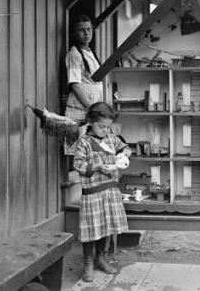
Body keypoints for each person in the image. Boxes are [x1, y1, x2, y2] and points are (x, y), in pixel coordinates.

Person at [74, 102, 131, 282]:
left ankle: (101, 258)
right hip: (92, 192)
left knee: (105, 226)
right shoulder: (84, 142)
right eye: (101, 126)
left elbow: (125, 148)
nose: (105, 130)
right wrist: (98, 166)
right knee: (91, 229)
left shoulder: (112, 138)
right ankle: (88, 262)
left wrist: (124, 155)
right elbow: (78, 164)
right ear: (91, 121)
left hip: (110, 191)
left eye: (108, 127)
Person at [64, 15, 104, 155]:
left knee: (95, 151)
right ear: (75, 33)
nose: (86, 33)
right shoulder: (74, 54)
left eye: (88, 29)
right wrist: (91, 107)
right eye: (82, 30)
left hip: (94, 106)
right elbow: (75, 84)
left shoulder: (90, 52)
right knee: (81, 151)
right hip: (81, 107)